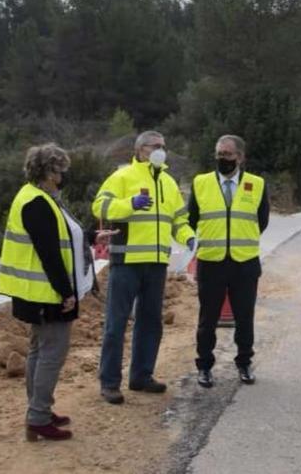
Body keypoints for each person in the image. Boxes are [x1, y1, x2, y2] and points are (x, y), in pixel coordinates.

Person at [0, 143, 117, 441]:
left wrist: (91, 236)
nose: (65, 175)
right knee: (51, 354)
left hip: (37, 292)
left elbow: (62, 235)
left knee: (39, 352)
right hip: (45, 294)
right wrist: (66, 293)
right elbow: (49, 253)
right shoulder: (37, 203)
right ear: (50, 172)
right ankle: (38, 417)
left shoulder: (40, 198)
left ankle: (38, 410)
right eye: (61, 170)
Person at [92, 130, 196, 404]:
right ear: (140, 150)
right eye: (154, 146)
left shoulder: (169, 183)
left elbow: (179, 221)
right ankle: (110, 382)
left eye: (163, 146)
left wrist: (189, 237)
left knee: (150, 322)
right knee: (116, 323)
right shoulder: (123, 177)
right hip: (126, 262)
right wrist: (130, 205)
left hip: (157, 264)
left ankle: (141, 375)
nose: (160, 150)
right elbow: (100, 207)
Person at [187, 135, 270, 388]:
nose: (222, 158)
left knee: (244, 317)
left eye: (228, 154)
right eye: (219, 153)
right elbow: (191, 218)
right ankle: (204, 366)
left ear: (240, 157)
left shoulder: (256, 184)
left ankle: (244, 362)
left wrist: (240, 238)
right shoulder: (201, 182)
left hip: (244, 263)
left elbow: (262, 220)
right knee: (207, 318)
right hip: (212, 262)